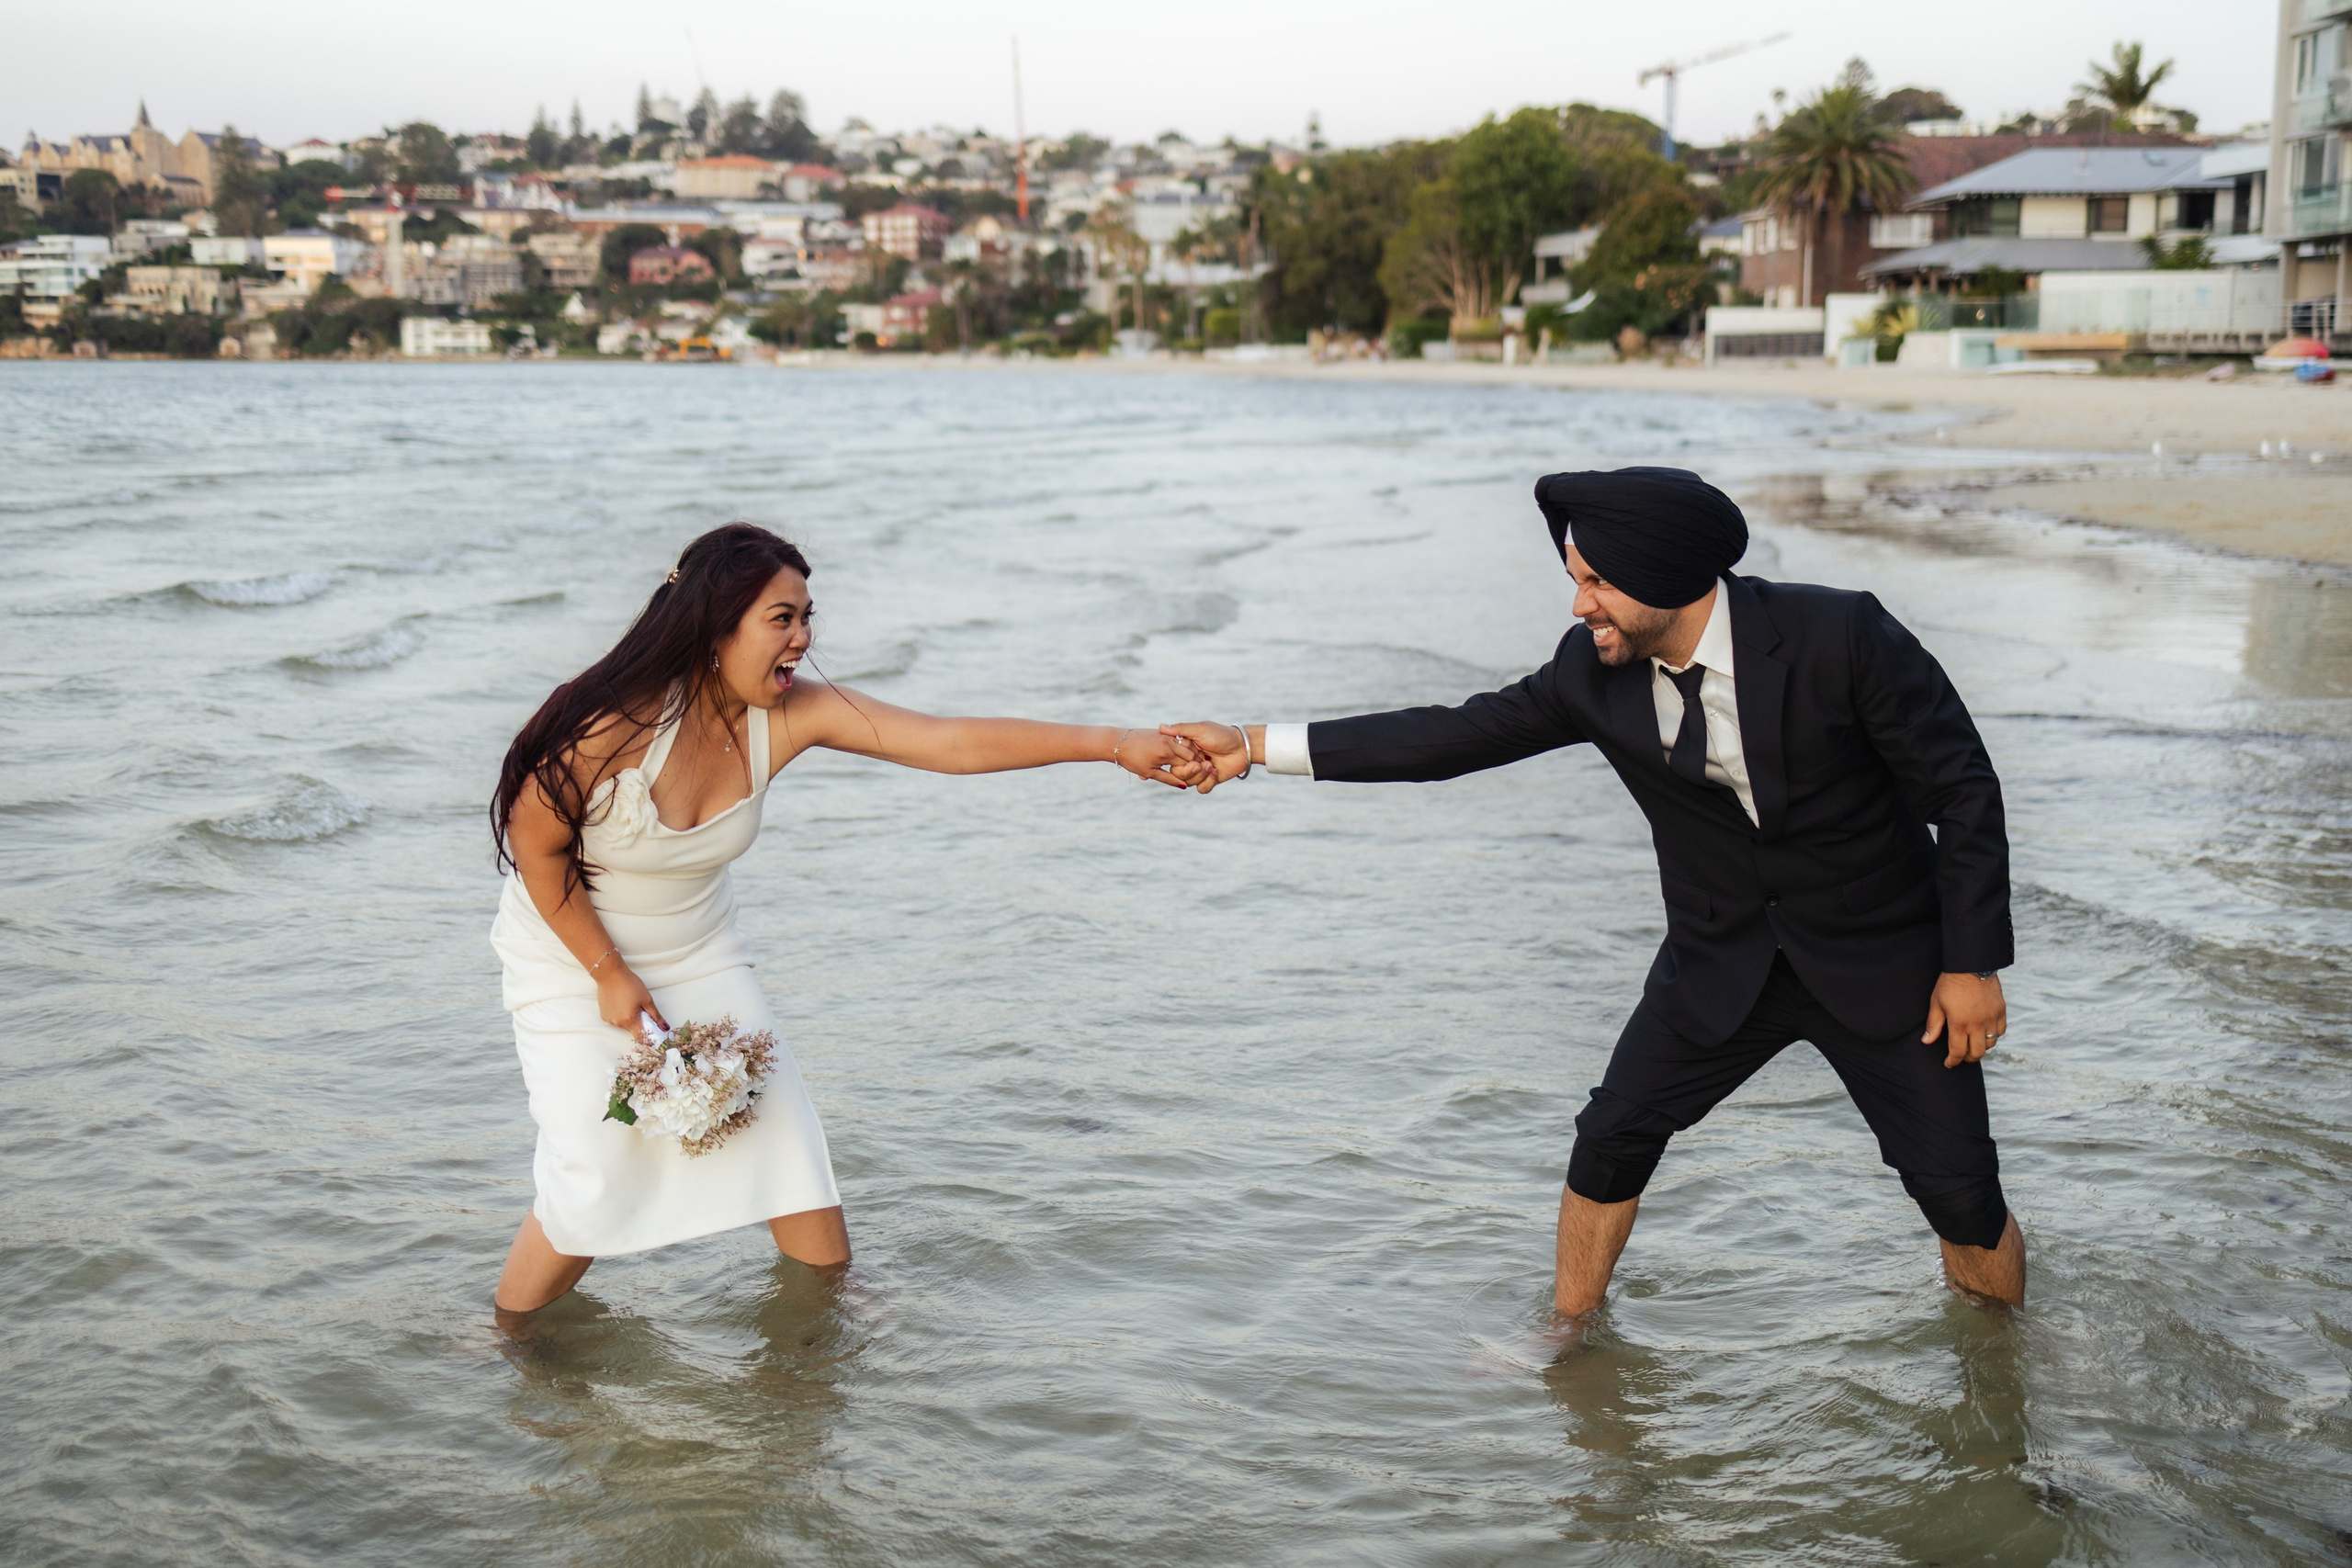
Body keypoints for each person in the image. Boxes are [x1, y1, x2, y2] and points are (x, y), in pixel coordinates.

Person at [1166, 467, 2025, 1323]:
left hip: (1889, 961)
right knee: (1609, 1138)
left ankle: (2002, 1375)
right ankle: (1568, 1336)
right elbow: (1452, 735)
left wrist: (1972, 965)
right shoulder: (1593, 671)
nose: (1580, 606)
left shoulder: (1840, 634)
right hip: (1720, 957)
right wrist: (1251, 743)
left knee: (1959, 1194)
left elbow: (1963, 792)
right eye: (1575, 580)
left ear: (1664, 576)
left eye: (1596, 582)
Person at [489, 522, 1208, 1318]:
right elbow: (536, 848)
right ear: (713, 624)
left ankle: (828, 1331)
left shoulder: (791, 715)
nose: (803, 637)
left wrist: (1115, 743)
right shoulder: (609, 726)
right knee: (595, 1164)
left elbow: (948, 741)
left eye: (807, 616)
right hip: (570, 952)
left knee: (784, 1142)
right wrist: (608, 973)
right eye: (782, 618)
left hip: (700, 951)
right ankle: (506, 1339)